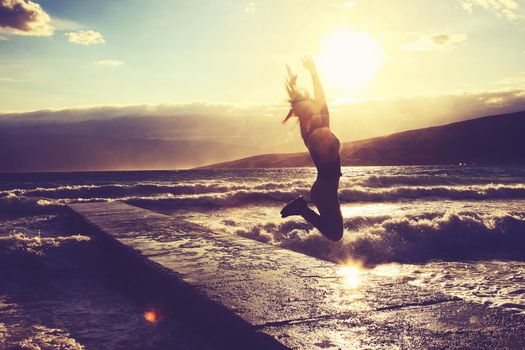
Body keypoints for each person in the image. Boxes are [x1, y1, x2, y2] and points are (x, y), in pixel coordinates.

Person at [280, 57, 344, 242]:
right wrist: (313, 73)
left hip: (327, 187)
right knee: (335, 234)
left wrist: (313, 73)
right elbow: (321, 99)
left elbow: (320, 98)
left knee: (335, 232)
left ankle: (301, 209)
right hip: (324, 189)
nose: (317, 106)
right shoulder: (316, 135)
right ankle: (302, 210)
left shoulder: (316, 128)